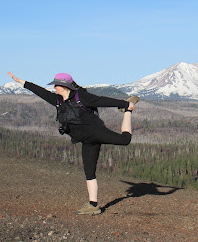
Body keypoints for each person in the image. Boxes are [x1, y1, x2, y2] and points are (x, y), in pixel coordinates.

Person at [7, 72, 139, 215]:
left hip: (96, 132)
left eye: (56, 85)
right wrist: (21, 81)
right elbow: (39, 91)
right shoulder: (57, 100)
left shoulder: (81, 97)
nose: (54, 88)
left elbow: (102, 101)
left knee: (125, 140)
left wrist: (126, 104)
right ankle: (93, 205)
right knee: (89, 172)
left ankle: (127, 112)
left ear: (64, 86)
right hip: (86, 140)